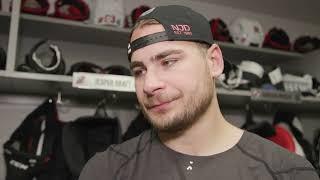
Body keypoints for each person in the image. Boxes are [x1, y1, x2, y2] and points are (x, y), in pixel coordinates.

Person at [79, 5, 319, 180]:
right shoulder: (106, 170)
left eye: (168, 61)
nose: (149, 85)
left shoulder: (288, 173)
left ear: (214, 62)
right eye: (139, 70)